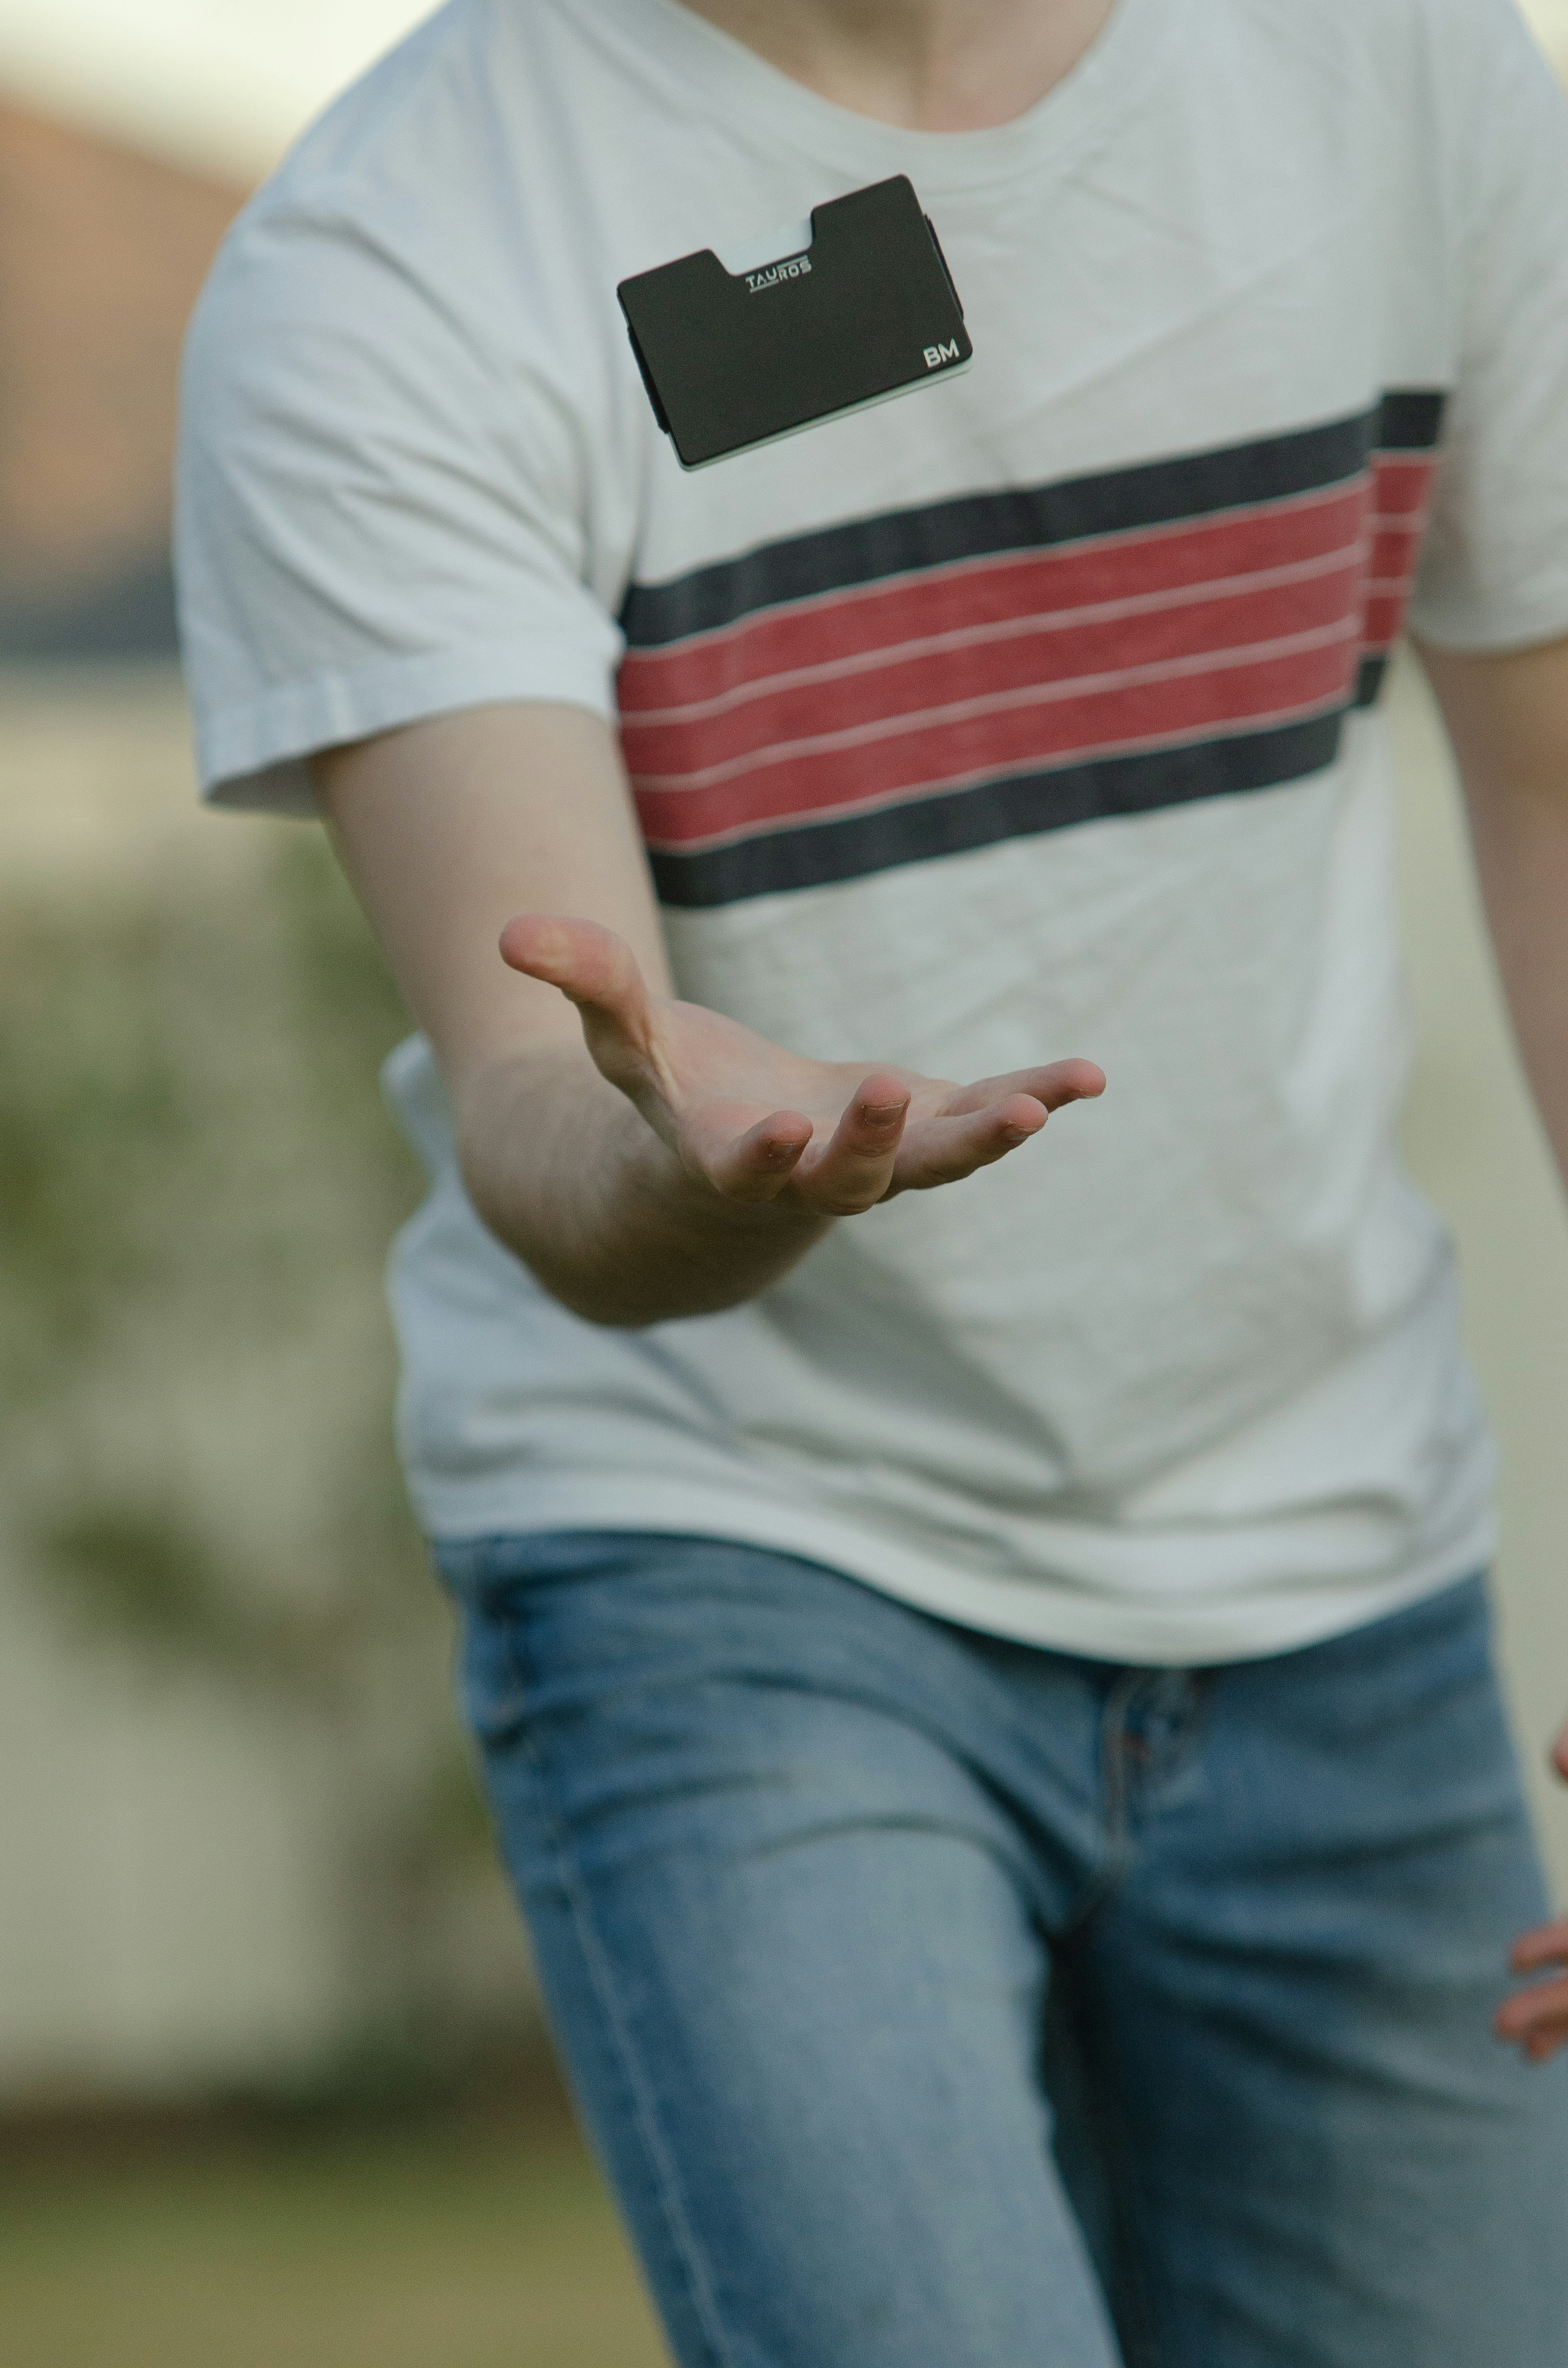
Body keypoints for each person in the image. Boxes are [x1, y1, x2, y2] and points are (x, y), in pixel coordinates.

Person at [176, 0, 1568, 2358]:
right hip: (739, 1561)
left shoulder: (1408, 72)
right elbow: (538, 1090)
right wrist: (708, 1163)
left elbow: (1552, 782)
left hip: (1342, 1554)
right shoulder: (394, 256)